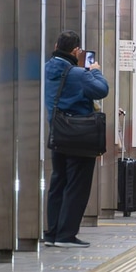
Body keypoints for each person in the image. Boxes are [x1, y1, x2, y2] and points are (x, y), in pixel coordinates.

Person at [43, 30, 109, 248]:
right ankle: (66, 235)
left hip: (57, 133)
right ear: (76, 51)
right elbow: (101, 90)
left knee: (58, 182)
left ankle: (52, 233)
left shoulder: (46, 69)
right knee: (77, 185)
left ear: (55, 46)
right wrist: (96, 72)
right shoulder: (79, 74)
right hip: (79, 136)